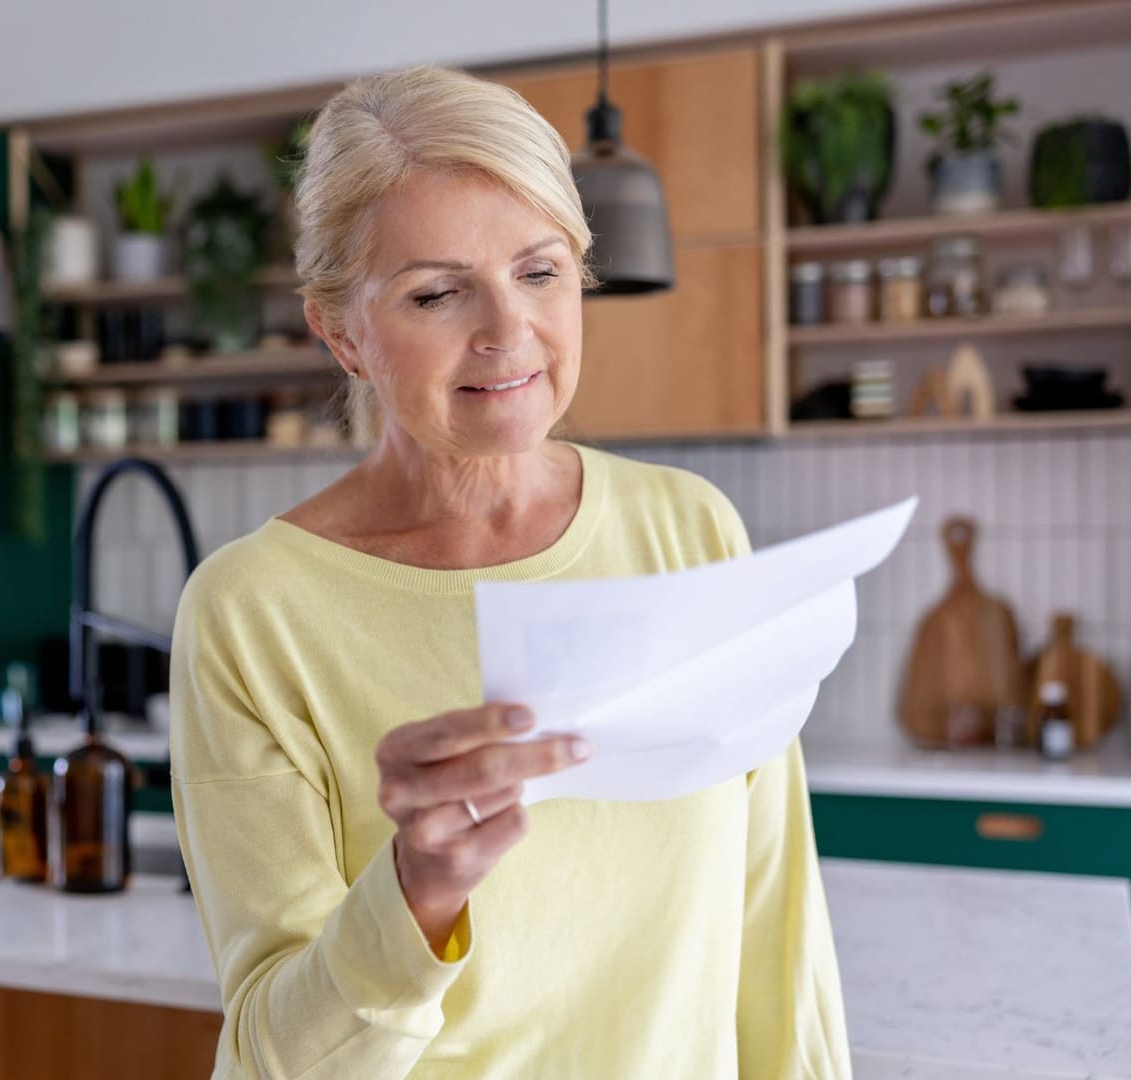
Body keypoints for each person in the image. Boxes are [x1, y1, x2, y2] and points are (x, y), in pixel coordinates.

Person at [169, 65, 850, 1078]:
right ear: (341, 331)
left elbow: (773, 926)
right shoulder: (252, 612)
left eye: (539, 272)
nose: (507, 331)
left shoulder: (688, 530)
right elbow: (275, 1055)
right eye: (438, 292)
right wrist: (414, 894)